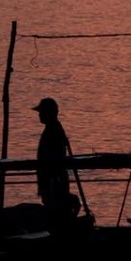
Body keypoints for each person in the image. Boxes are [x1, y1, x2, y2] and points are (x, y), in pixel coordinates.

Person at [32, 97, 80, 227]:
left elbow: (54, 158)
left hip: (54, 179)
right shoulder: (53, 128)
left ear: (49, 113)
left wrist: (51, 177)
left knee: (56, 209)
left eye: (41, 112)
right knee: (55, 208)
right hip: (52, 178)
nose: (39, 115)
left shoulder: (53, 130)